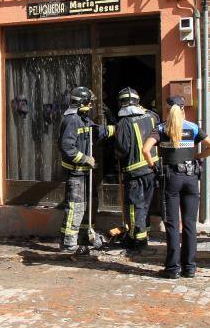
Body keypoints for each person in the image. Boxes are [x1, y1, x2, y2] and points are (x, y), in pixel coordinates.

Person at [142, 96, 210, 278]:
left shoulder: (161, 128)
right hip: (190, 177)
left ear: (168, 110)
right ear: (183, 109)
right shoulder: (192, 127)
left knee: (173, 224)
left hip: (171, 179)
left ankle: (173, 268)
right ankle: (189, 267)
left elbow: (145, 150)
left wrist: (153, 165)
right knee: (190, 224)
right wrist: (197, 157)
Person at [58, 86, 114, 254]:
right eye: (89, 102)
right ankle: (68, 243)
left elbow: (95, 131)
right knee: (75, 207)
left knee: (85, 206)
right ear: (82, 102)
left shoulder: (82, 119)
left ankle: (83, 236)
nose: (91, 105)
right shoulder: (72, 120)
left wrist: (115, 129)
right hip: (75, 172)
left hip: (83, 172)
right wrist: (85, 159)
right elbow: (67, 148)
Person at [113, 87, 159, 252]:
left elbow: (122, 149)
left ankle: (136, 238)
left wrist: (115, 152)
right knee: (146, 204)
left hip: (134, 171)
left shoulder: (124, 123)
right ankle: (144, 233)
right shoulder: (152, 117)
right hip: (152, 168)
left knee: (134, 205)